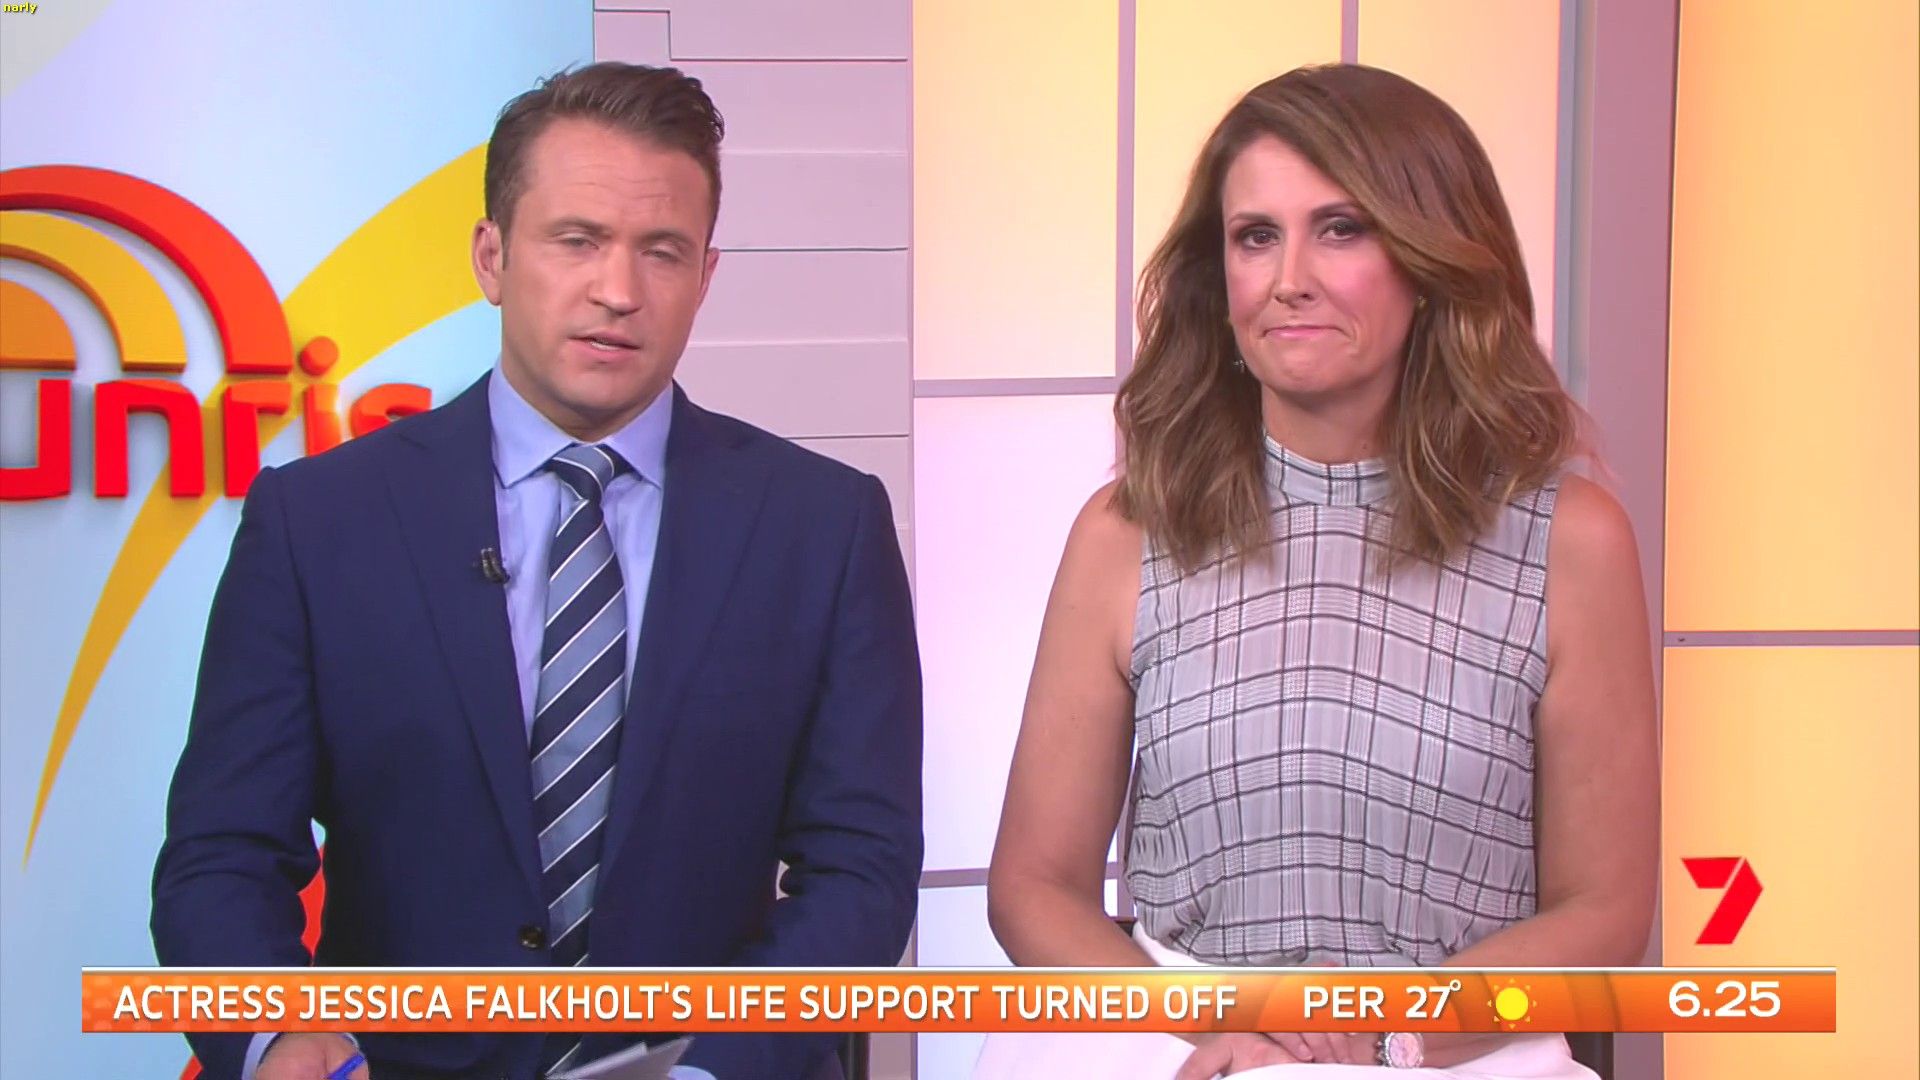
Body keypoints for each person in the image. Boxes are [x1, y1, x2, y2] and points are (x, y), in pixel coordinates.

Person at [152, 62, 923, 1080]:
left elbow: (862, 868)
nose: (619, 291)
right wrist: (277, 1039)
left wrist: (714, 1067)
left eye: (662, 251)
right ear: (492, 257)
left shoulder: (822, 526)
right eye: (577, 241)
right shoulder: (319, 522)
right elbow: (222, 855)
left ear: (705, 276)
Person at [979, 64, 1656, 1079]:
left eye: (1340, 229)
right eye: (1256, 236)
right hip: (1185, 1044)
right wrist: (1222, 1027)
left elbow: (1605, 913)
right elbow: (1032, 886)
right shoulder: (1125, 535)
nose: (1288, 277)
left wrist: (1383, 1035)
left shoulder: (1573, 543)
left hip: (1458, 1055)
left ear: (1431, 261)